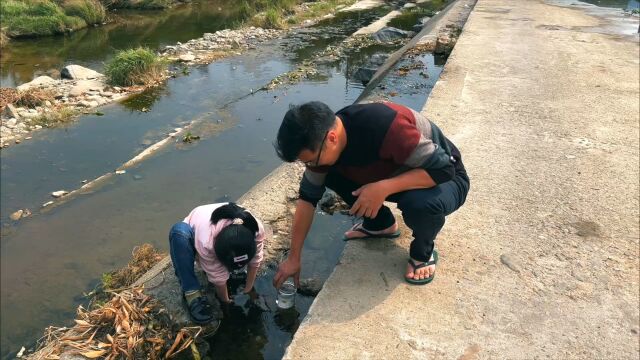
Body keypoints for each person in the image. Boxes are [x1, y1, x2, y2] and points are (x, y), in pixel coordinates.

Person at [272, 101, 469, 288]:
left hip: (444, 179)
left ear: (331, 138)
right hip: (397, 175)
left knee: (419, 205)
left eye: (311, 161)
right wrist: (294, 258)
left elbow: (444, 169)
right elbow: (307, 199)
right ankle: (381, 225)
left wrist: (383, 188)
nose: (310, 166)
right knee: (328, 175)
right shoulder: (323, 143)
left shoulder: (386, 126)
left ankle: (423, 253)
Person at [169, 202, 265, 324]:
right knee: (179, 233)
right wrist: (226, 302)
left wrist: (249, 288)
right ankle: (191, 293)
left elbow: (255, 260)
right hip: (196, 232)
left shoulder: (255, 228)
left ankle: (234, 267)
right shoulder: (206, 241)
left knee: (234, 264)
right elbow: (218, 278)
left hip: (227, 240)